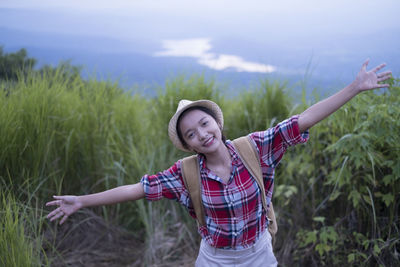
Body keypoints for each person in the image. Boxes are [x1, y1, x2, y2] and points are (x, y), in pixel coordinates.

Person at [46, 59, 391, 266]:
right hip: (215, 258)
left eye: (204, 124)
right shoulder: (186, 174)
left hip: (258, 253)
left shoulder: (255, 148)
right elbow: (137, 188)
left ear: (217, 122)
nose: (201, 134)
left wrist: (354, 87)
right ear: (186, 144)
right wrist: (82, 201)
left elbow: (302, 121)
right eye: (191, 134)